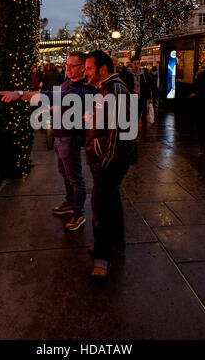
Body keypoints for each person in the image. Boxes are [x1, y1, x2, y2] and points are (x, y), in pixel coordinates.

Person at [0, 51, 95, 232]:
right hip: (59, 134)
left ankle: (78, 212)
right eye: (67, 65)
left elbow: (52, 96)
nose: (68, 69)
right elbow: (55, 99)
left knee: (74, 176)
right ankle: (70, 203)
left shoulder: (81, 89)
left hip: (70, 138)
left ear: (82, 68)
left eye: (72, 66)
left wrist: (20, 93)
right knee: (64, 173)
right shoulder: (67, 83)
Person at [84, 51, 137, 278]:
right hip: (108, 160)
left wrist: (105, 159)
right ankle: (117, 245)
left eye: (88, 68)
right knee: (112, 204)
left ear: (102, 69)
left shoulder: (114, 90)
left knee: (100, 209)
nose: (86, 72)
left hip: (108, 163)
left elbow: (119, 131)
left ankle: (102, 259)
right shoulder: (107, 88)